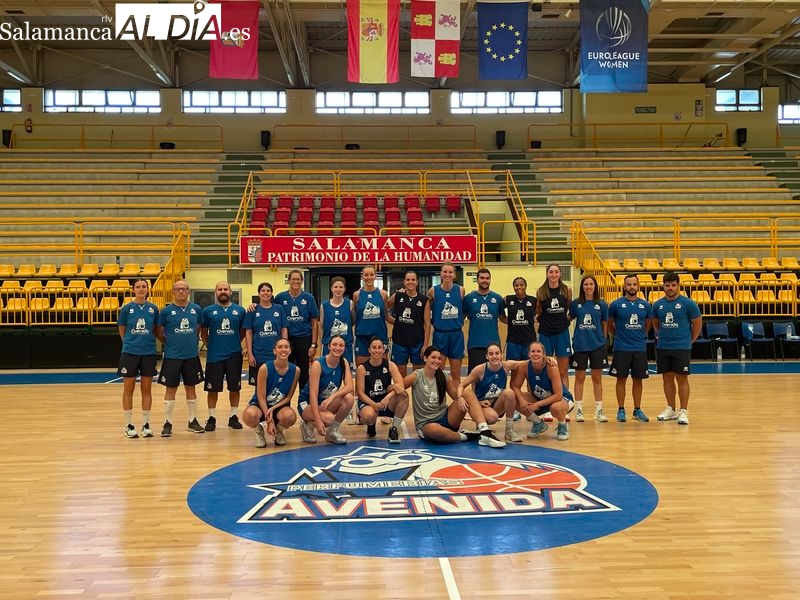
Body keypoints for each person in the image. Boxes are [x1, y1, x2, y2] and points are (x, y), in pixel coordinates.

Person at [403, 345, 506, 447]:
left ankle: (484, 432)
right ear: (425, 358)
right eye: (433, 357)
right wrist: (391, 393)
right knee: (435, 430)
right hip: (426, 424)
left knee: (466, 393)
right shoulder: (417, 376)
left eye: (439, 358)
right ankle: (466, 436)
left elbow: (455, 396)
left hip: (446, 418)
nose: (437, 361)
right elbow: (399, 386)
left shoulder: (443, 376)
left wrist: (471, 401)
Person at [156, 279, 205, 436]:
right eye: (178, 289)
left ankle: (192, 420)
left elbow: (198, 328)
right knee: (171, 388)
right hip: (172, 356)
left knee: (191, 387)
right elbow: (159, 331)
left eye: (184, 289)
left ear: (188, 291)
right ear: (173, 292)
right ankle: (168, 422)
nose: (181, 292)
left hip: (191, 355)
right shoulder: (165, 311)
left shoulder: (196, 309)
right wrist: (168, 342)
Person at [652, 272, 702, 425]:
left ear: (678, 286)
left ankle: (683, 411)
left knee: (682, 378)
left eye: (673, 285)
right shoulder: (658, 305)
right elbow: (655, 323)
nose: (670, 288)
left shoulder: (688, 304)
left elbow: (697, 323)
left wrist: (690, 340)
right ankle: (671, 409)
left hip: (681, 347)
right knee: (666, 377)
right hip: (663, 347)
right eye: (667, 285)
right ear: (663, 286)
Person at [200, 281, 246, 432]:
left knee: (235, 387)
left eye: (225, 289)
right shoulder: (207, 311)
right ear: (215, 292)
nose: (223, 291)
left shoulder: (239, 311)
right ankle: (211, 417)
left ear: (231, 292)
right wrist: (211, 345)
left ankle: (233, 417)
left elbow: (243, 331)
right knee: (212, 389)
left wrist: (234, 342)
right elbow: (203, 332)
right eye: (220, 289)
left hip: (234, 355)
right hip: (215, 356)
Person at [607, 274, 653, 423]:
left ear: (638, 286)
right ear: (624, 286)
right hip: (622, 348)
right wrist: (617, 335)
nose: (631, 287)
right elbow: (610, 324)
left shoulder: (645, 305)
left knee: (638, 380)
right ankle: (621, 409)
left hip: (639, 348)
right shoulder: (616, 304)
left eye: (634, 284)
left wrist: (641, 335)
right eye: (629, 284)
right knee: (621, 379)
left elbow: (648, 324)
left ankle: (637, 409)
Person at [117, 277, 159, 439]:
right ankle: (128, 425)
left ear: (148, 290)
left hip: (148, 353)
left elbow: (154, 330)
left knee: (146, 389)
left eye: (144, 287)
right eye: (138, 287)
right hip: (130, 353)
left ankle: (146, 424)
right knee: (128, 389)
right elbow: (122, 330)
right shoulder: (127, 309)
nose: (141, 289)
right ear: (133, 290)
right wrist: (129, 344)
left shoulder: (153, 309)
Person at [456, 342, 523, 442]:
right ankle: (480, 426)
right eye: (491, 354)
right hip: (481, 406)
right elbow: (461, 385)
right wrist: (460, 397)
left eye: (497, 353)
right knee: (492, 418)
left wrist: (547, 358)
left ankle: (509, 430)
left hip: (497, 404)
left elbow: (527, 363)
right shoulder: (479, 370)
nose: (494, 356)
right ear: (487, 356)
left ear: (501, 355)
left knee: (509, 393)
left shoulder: (506, 366)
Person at [511, 341, 575, 441]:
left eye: (538, 351)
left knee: (556, 408)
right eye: (533, 351)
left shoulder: (551, 367)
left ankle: (563, 426)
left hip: (562, 399)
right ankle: (538, 423)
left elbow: (558, 395)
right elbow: (515, 387)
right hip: (540, 398)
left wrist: (538, 404)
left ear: (543, 354)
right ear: (528, 354)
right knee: (514, 398)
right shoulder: (524, 366)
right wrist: (521, 400)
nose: (535, 354)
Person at [297, 335, 355, 444]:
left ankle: (332, 431)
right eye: (334, 344)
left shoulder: (344, 362)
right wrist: (318, 421)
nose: (337, 348)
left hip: (324, 402)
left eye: (341, 345)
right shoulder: (318, 364)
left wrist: (332, 397)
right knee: (329, 419)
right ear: (329, 346)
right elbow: (313, 396)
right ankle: (308, 424)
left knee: (349, 398)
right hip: (307, 403)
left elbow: (349, 387)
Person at [242, 338, 299, 448]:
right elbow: (261, 397)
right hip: (261, 404)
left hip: (279, 406)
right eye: (280, 347)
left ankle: (279, 430)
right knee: (249, 415)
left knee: (290, 417)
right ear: (274, 351)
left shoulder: (296, 370)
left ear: (290, 351)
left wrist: (273, 409)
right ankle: (259, 432)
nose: (283, 350)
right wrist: (269, 421)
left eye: (286, 347)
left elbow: (288, 397)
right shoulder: (265, 368)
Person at [568, 275, 609, 423]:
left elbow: (605, 324)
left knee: (597, 378)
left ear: (595, 286)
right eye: (586, 284)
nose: (589, 287)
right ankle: (579, 410)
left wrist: (603, 340)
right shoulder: (576, 304)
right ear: (582, 287)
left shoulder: (602, 304)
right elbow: (568, 319)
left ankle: (599, 411)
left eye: (591, 284)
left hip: (597, 345)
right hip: (580, 345)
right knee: (580, 378)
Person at [356, 337, 409, 443]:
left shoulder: (390, 365)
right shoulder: (362, 368)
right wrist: (373, 404)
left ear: (384, 349)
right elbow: (360, 393)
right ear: (369, 350)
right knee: (368, 416)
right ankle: (371, 424)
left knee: (404, 395)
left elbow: (401, 385)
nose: (377, 350)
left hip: (385, 402)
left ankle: (393, 429)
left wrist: (388, 396)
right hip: (369, 402)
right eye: (374, 348)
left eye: (379, 347)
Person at [274, 269, 319, 391]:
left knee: (304, 373)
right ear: (288, 280)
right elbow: (268, 308)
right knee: (285, 371)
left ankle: (303, 403)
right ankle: (283, 403)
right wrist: (254, 306)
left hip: (304, 339)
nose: (295, 281)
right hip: (286, 340)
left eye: (298, 279)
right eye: (293, 279)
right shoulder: (280, 297)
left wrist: (314, 345)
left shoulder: (308, 298)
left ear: (302, 281)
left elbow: (315, 323)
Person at [426, 262, 466, 387]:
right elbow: (425, 308)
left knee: (455, 373)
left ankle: (457, 401)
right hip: (440, 335)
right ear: (441, 274)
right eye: (445, 272)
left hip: (456, 335)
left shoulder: (460, 290)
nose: (447, 274)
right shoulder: (433, 291)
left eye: (450, 272)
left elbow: (463, 311)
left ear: (454, 274)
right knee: (439, 371)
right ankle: (439, 401)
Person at [535, 263, 572, 390]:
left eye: (556, 272)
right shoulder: (541, 291)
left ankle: (565, 398)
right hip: (545, 332)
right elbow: (538, 311)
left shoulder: (567, 290)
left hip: (562, 332)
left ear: (560, 274)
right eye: (551, 272)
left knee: (563, 371)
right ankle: (548, 397)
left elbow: (568, 308)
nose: (554, 274)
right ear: (547, 274)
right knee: (546, 369)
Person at [463, 267, 506, 374]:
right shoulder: (468, 298)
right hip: (475, 344)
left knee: (494, 376)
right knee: (475, 376)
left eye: (487, 278)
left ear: (490, 280)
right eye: (482, 278)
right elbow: (461, 317)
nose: (484, 280)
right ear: (477, 280)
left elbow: (502, 318)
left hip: (493, 344)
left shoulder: (497, 298)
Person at [386, 270, 430, 377]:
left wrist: (425, 345)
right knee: (400, 376)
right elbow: (383, 310)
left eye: (413, 280)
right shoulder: (397, 296)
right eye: (408, 280)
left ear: (417, 282)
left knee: (418, 376)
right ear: (404, 282)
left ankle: (417, 394)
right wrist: (396, 322)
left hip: (417, 342)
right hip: (399, 341)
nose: (411, 282)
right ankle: (402, 394)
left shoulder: (424, 300)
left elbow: (427, 324)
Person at [244, 282, 288, 387]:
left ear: (272, 293)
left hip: (276, 355)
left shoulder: (279, 309)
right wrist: (249, 353)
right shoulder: (253, 310)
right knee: (260, 386)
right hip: (259, 355)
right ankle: (261, 404)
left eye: (268, 291)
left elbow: (284, 329)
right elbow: (249, 332)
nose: (265, 293)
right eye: (263, 290)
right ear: (258, 293)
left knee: (277, 385)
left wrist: (285, 348)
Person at [352, 265, 389, 366]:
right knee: (361, 371)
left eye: (372, 275)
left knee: (382, 372)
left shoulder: (383, 294)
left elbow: (386, 316)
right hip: (362, 338)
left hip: (380, 336)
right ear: (362, 276)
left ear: (375, 276)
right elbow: (356, 316)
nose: (369, 277)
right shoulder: (357, 295)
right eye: (366, 275)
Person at [319, 276, 354, 365]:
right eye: (336, 287)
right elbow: (322, 327)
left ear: (344, 289)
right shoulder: (324, 305)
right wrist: (322, 344)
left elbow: (353, 324)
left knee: (346, 372)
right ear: (331, 288)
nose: (338, 289)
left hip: (345, 345)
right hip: (329, 346)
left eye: (341, 287)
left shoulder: (350, 303)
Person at [505, 276, 537, 361]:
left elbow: (538, 314)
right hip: (513, 341)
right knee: (514, 369)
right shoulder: (508, 299)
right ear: (513, 287)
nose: (519, 287)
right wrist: (510, 321)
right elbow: (499, 313)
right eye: (516, 285)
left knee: (529, 368)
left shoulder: (533, 300)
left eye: (522, 285)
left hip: (529, 340)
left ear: (526, 286)